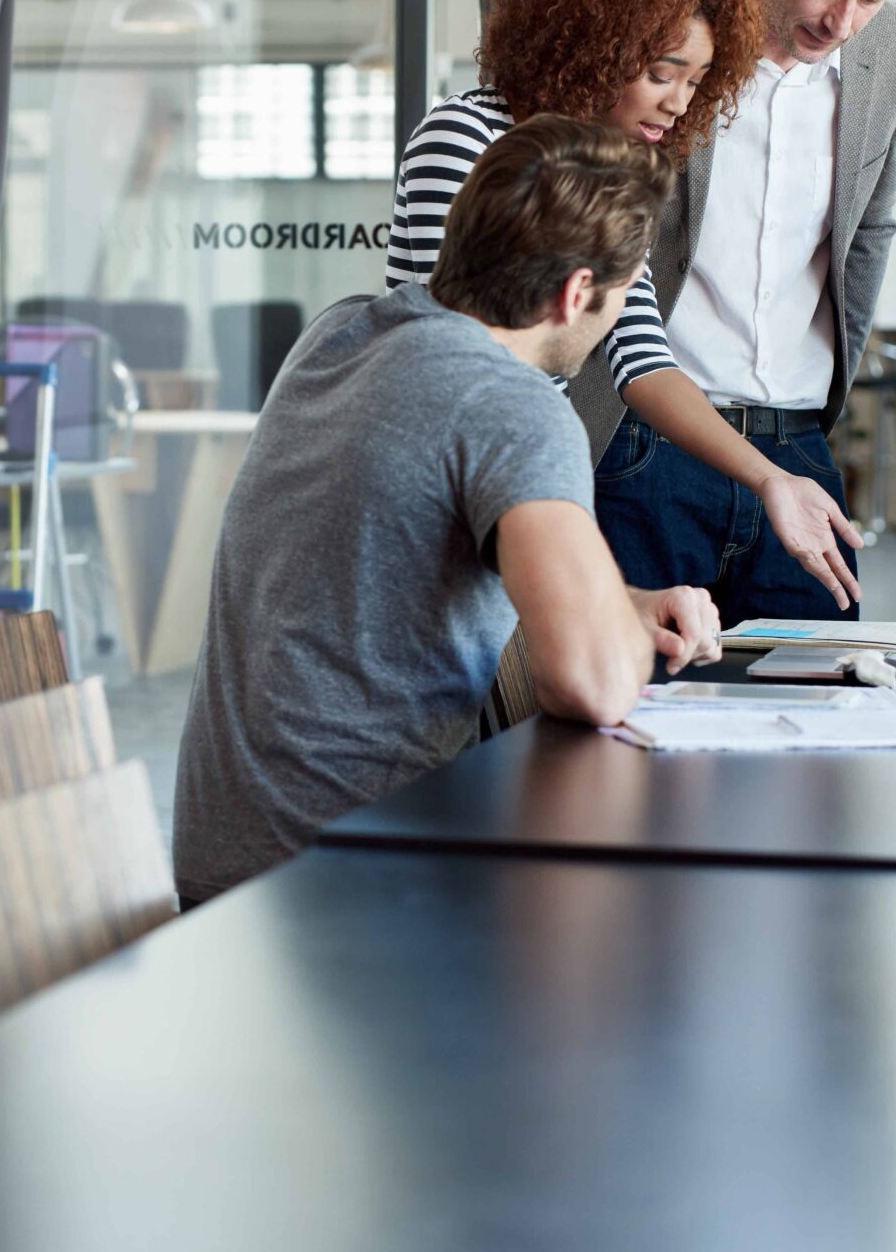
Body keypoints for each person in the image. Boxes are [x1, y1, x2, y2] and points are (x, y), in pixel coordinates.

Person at [177, 118, 724, 902]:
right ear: (577, 294)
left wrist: (622, 604)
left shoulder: (338, 335)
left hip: (225, 867)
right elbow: (594, 685)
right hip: (355, 882)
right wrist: (609, 629)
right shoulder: (514, 404)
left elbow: (396, 566)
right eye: (623, 294)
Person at [387, 0, 880, 609]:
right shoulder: (464, 135)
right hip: (452, 491)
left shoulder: (613, 173)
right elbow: (453, 356)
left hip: (518, 486)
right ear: (594, 46)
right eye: (662, 72)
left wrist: (771, 478)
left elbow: (643, 358)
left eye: (696, 80)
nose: (680, 103)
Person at [577, 0, 896, 626]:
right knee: (634, 714)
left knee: (816, 713)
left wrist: (824, 404)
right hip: (646, 441)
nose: (844, 22)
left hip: (798, 444)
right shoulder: (674, 34)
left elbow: (871, 221)